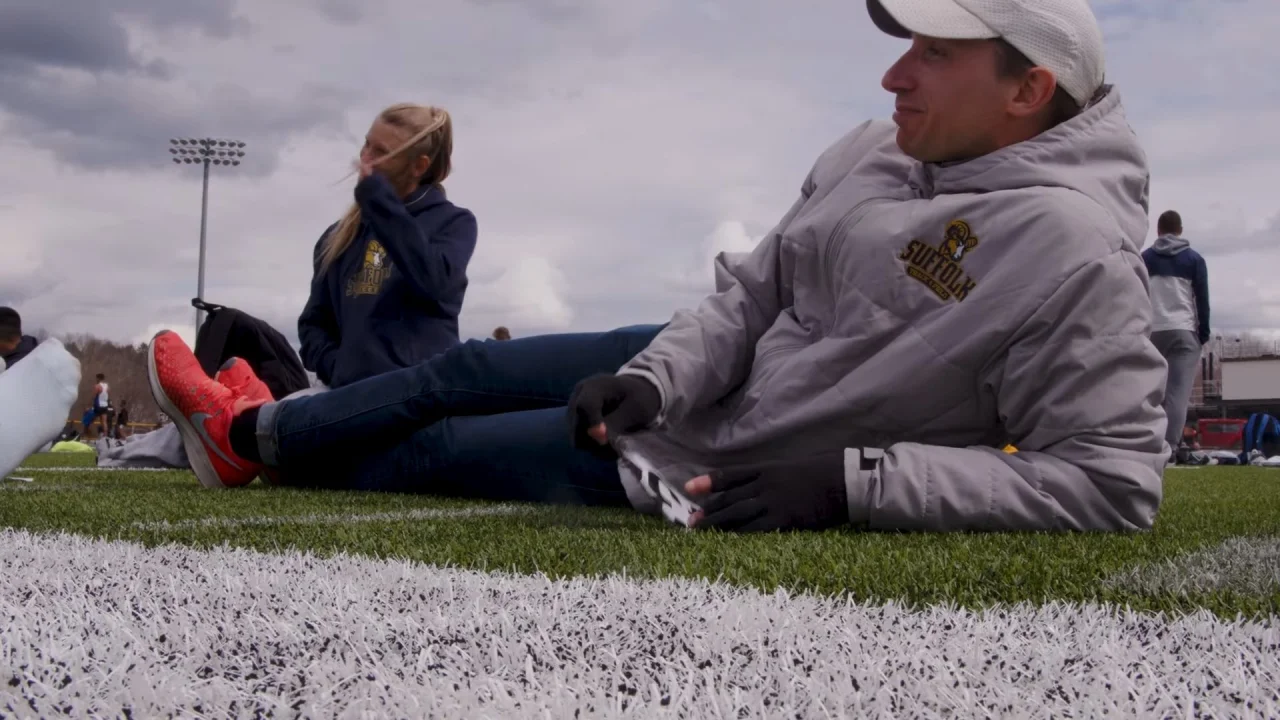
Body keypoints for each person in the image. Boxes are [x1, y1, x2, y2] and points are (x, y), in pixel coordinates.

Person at [148, 0, 1167, 533]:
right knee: (463, 371)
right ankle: (252, 433)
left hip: (724, 455)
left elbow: (1108, 481)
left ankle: (244, 433)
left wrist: (853, 485)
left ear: (1028, 90)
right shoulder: (877, 146)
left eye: (934, 54)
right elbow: (756, 291)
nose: (893, 74)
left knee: (440, 449)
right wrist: (655, 376)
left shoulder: (1077, 254)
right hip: (692, 371)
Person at [297, 103, 478, 391]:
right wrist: (339, 367)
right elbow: (313, 326)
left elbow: (434, 282)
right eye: (366, 144)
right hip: (351, 395)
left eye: (380, 152)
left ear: (418, 166)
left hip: (421, 397)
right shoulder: (336, 237)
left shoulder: (454, 223)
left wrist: (378, 201)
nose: (365, 158)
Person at [1141, 210, 1210, 460]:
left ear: (1158, 230)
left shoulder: (1144, 259)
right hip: (1183, 331)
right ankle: (1170, 447)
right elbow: (1202, 300)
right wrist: (1203, 334)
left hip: (1152, 332)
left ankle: (1148, 443)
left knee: (1151, 394)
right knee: (1177, 395)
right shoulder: (1194, 260)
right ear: (1180, 230)